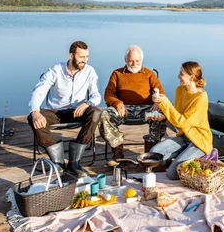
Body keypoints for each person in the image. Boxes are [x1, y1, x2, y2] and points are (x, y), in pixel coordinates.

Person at [28, 41, 102, 178]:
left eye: (87, 57)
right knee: (33, 117)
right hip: (55, 112)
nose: (84, 61)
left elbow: (96, 96)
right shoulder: (56, 70)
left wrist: (87, 103)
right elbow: (38, 91)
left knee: (96, 112)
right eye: (81, 57)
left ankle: (75, 163)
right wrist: (36, 112)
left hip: (77, 111)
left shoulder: (90, 71)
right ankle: (58, 163)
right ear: (71, 55)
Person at [100, 45, 166, 166]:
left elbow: (161, 92)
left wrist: (157, 102)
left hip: (145, 109)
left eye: (137, 61)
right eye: (131, 60)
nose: (134, 63)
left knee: (159, 114)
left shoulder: (149, 74)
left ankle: (152, 152)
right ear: (125, 60)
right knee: (104, 114)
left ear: (142, 60)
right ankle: (118, 152)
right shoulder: (117, 74)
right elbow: (108, 94)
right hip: (124, 109)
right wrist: (118, 103)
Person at [148, 61, 213, 180]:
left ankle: (201, 155)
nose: (178, 76)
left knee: (172, 173)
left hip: (198, 142)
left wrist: (164, 102)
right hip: (184, 137)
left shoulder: (201, 98)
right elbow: (176, 115)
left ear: (191, 77)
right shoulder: (180, 90)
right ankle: (183, 155)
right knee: (154, 153)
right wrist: (163, 116)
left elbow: (181, 122)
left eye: (181, 74)